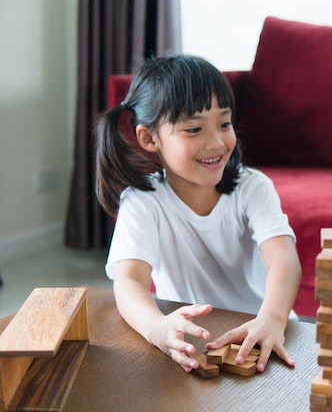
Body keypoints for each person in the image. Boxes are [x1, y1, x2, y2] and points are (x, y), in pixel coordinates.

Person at [95, 55, 302, 373]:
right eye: (194, 129)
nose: (217, 141)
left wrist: (273, 319)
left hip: (266, 331)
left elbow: (284, 259)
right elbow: (129, 282)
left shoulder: (252, 187)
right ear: (149, 139)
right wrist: (156, 328)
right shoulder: (142, 202)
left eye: (224, 123)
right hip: (197, 340)